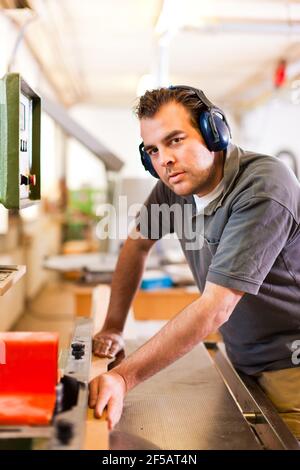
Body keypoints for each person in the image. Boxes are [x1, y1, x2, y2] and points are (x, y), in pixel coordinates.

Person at [89, 86, 300, 437]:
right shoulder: (175, 187)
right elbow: (136, 246)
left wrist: (123, 378)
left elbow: (216, 307)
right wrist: (113, 326)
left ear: (214, 131)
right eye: (153, 150)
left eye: (175, 140)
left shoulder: (263, 186)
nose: (164, 160)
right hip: (244, 359)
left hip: (290, 368)